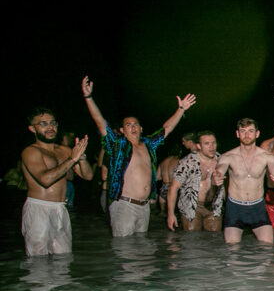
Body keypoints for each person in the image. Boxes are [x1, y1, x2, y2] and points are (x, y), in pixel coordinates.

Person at [82, 75, 196, 236]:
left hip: (145, 206)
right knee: (125, 251)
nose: (133, 127)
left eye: (136, 124)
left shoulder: (148, 144)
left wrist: (181, 109)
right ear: (122, 130)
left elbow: (167, 129)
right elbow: (100, 122)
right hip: (124, 205)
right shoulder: (118, 144)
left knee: (142, 252)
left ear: (141, 128)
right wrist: (88, 97)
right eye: (128, 125)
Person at [20, 108, 92, 255]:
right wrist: (72, 159)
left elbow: (88, 176)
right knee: (38, 262)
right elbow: (45, 180)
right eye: (43, 124)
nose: (50, 127)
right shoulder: (31, 151)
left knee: (63, 259)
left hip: (60, 209)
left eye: (53, 123)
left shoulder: (65, 150)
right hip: (39, 209)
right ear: (32, 129)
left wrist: (81, 158)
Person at [213, 119, 274, 243]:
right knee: (232, 253)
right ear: (237, 134)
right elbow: (219, 170)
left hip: (257, 207)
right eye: (243, 131)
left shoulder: (267, 156)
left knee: (267, 250)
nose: (247, 135)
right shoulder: (228, 157)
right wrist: (216, 177)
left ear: (257, 134)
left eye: (251, 131)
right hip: (235, 208)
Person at [166, 130, 224, 232]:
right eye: (207, 143)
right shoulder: (187, 162)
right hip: (192, 207)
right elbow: (173, 188)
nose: (212, 146)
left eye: (213, 143)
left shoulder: (222, 161)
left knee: (215, 241)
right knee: (192, 241)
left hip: (214, 207)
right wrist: (170, 214)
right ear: (198, 146)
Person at [155, 147, 181, 214]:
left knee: (162, 212)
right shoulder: (179, 161)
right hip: (174, 187)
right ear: (180, 152)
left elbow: (157, 177)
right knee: (174, 212)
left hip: (164, 187)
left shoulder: (163, 162)